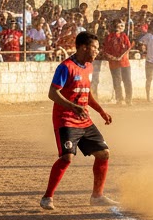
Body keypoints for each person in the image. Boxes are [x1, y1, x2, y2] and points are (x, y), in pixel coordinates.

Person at [41, 31, 117, 210]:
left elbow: (86, 93)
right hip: (65, 119)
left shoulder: (89, 67)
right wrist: (71, 106)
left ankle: (97, 196)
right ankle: (47, 197)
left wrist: (101, 111)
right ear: (84, 47)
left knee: (103, 153)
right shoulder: (65, 67)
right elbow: (53, 93)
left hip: (84, 119)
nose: (97, 51)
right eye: (95, 48)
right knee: (67, 157)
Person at [102, 18, 133, 105]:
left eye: (120, 26)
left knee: (127, 81)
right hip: (114, 63)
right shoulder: (109, 37)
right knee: (117, 82)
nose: (117, 28)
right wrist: (112, 57)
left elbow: (128, 48)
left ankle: (128, 99)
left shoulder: (124, 36)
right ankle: (119, 99)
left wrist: (121, 56)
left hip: (125, 62)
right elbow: (106, 51)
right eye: (116, 26)